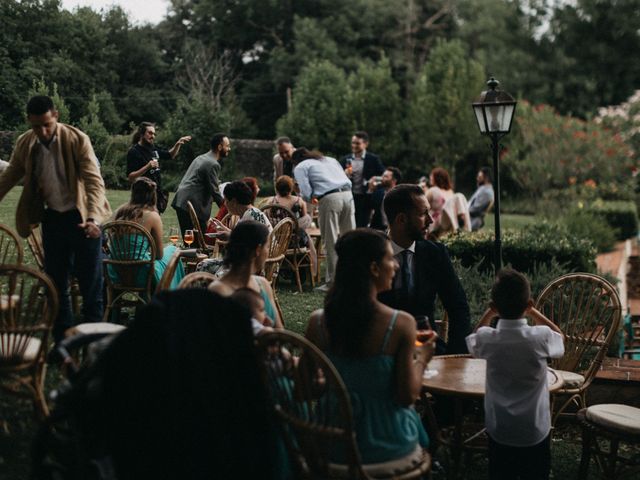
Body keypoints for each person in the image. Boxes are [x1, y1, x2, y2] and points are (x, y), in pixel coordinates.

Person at [305, 229, 433, 467]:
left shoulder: (318, 322)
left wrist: (336, 385)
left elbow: (306, 390)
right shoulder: (401, 323)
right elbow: (407, 397)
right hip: (384, 444)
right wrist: (422, 358)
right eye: (389, 258)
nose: (395, 265)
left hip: (330, 440)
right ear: (374, 269)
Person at [0, 95, 111, 341]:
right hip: (53, 219)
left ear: (56, 116)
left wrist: (93, 218)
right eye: (36, 126)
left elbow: (94, 182)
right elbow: (8, 177)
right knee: (56, 286)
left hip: (83, 218)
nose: (42, 131)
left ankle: (93, 346)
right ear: (29, 122)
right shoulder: (26, 143)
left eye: (47, 124)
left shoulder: (77, 139)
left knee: (91, 285)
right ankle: (63, 345)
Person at [466, 269, 565, 480]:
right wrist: (534, 312)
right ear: (528, 304)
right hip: (535, 429)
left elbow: (474, 340)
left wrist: (489, 313)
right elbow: (559, 336)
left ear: (494, 307)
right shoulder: (540, 338)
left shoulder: (487, 339)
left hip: (500, 429)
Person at [378, 184, 471, 354]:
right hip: (383, 351)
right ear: (401, 220)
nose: (431, 220)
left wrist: (456, 353)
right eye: (423, 214)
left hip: (428, 349)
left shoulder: (435, 253)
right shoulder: (372, 253)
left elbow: (458, 307)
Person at [292, 148, 354, 291]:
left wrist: (308, 197)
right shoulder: (330, 159)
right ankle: (351, 278)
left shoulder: (301, 166)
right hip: (348, 195)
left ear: (296, 161)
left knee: (330, 240)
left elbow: (306, 192)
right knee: (350, 239)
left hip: (330, 198)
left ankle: (333, 282)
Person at [111, 177, 185, 289]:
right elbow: (159, 255)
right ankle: (172, 296)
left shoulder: (119, 213)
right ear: (153, 196)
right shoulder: (152, 216)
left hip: (116, 273)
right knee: (174, 251)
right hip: (142, 275)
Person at [208, 221, 283, 329]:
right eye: (267, 247)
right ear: (258, 250)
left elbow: (279, 330)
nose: (268, 253)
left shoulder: (263, 284)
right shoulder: (219, 290)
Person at [171, 133, 229, 236]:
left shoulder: (202, 157)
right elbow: (214, 191)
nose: (229, 148)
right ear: (220, 147)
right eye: (227, 146)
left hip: (182, 201)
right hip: (191, 205)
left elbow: (201, 181)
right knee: (198, 244)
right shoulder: (213, 164)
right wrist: (228, 209)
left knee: (190, 242)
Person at [126, 121, 191, 213]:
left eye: (154, 134)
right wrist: (148, 166)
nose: (153, 136)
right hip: (141, 196)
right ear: (141, 133)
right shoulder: (134, 152)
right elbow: (131, 177)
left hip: (155, 194)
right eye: (150, 133)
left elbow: (170, 155)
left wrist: (178, 144)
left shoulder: (152, 148)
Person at [265, 175, 317, 276]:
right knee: (306, 221)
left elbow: (267, 217)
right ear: (291, 187)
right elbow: (304, 220)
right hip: (296, 242)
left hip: (276, 241)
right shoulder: (299, 201)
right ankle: (310, 272)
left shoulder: (271, 201)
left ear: (277, 188)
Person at [340, 131, 385, 227]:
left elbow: (384, 176)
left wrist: (374, 180)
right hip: (349, 196)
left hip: (366, 198)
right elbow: (337, 177)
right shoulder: (346, 159)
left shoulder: (373, 159)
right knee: (349, 224)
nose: (354, 145)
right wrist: (344, 174)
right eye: (353, 142)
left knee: (362, 225)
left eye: (357, 143)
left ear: (365, 144)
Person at [427, 167, 470, 237]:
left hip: (449, 221)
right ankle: (462, 222)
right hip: (438, 222)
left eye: (432, 176)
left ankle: (459, 220)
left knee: (459, 196)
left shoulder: (433, 190)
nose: (430, 177)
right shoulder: (450, 192)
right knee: (459, 195)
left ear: (437, 178)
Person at [369, 166, 402, 231]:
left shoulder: (400, 195)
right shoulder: (378, 193)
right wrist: (370, 190)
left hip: (395, 230)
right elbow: (368, 207)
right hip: (378, 229)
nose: (382, 178)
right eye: (383, 176)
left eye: (386, 176)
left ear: (394, 180)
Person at [468, 167, 495, 231]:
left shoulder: (487, 192)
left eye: (479, 177)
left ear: (486, 178)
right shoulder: (483, 189)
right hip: (469, 218)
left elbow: (475, 209)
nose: (477, 179)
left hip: (472, 221)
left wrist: (461, 211)